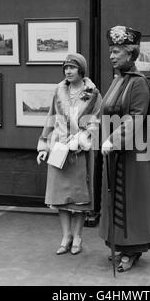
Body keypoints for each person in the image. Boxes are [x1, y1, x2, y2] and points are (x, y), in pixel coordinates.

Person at [99, 26, 150, 272]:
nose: (111, 56)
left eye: (116, 52)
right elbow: (106, 111)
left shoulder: (138, 84)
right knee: (115, 198)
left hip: (134, 154)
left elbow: (135, 118)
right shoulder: (118, 81)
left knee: (132, 200)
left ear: (130, 54)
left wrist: (113, 139)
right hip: (115, 153)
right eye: (111, 51)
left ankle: (132, 249)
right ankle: (121, 245)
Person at [37, 53, 102, 255]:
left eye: (72, 67)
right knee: (60, 196)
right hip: (58, 148)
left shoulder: (93, 93)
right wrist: (43, 146)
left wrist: (82, 138)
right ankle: (66, 237)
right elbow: (50, 118)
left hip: (80, 151)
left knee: (78, 197)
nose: (68, 71)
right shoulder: (59, 90)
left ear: (81, 70)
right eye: (66, 67)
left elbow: (97, 121)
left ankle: (78, 236)